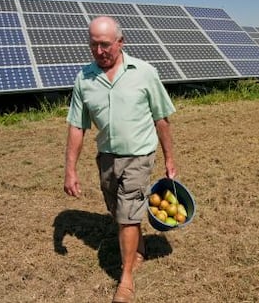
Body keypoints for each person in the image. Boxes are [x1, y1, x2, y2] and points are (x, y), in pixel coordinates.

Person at [64, 16, 177, 303]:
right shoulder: (84, 78)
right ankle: (139, 248)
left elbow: (161, 119)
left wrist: (169, 158)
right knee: (119, 212)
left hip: (139, 155)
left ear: (120, 42)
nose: (99, 51)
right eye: (93, 45)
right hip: (106, 158)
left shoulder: (144, 72)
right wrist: (70, 170)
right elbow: (78, 125)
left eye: (105, 45)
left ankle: (125, 279)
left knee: (127, 215)